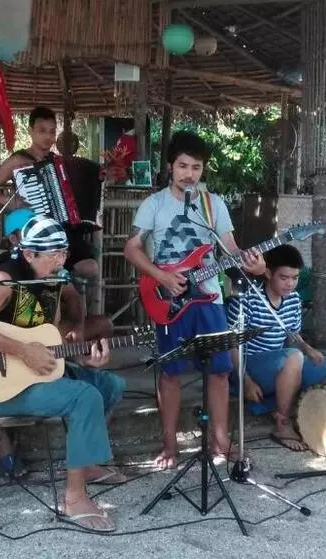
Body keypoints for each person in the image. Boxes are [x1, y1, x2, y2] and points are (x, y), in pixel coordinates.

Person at [0, 215, 125, 532]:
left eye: (64, 253)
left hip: (39, 373)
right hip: (2, 386)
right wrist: (22, 350)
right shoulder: (5, 280)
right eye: (53, 254)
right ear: (29, 253)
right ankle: (74, 499)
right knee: (84, 397)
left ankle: (86, 463)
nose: (61, 261)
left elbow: (72, 307)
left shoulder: (56, 278)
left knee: (110, 385)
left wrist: (80, 342)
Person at [123, 130, 265, 470]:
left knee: (219, 371)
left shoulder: (213, 204)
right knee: (170, 374)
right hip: (168, 299)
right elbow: (131, 248)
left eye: (196, 167)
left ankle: (220, 441)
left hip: (210, 298)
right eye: (183, 166)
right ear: (170, 167)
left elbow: (230, 250)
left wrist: (254, 264)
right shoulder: (154, 204)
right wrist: (161, 276)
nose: (189, 174)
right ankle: (169, 445)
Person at [225, 244, 326, 452]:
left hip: (284, 364)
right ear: (268, 274)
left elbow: (292, 334)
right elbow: (231, 344)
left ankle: (297, 410)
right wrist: (246, 381)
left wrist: (307, 347)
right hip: (250, 368)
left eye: (295, 278)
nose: (290, 284)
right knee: (294, 357)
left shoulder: (293, 299)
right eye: (284, 278)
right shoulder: (247, 299)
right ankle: (282, 424)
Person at [0, 106, 99, 279]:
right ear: (31, 131)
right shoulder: (18, 160)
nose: (48, 137)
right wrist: (9, 201)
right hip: (32, 229)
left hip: (59, 229)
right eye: (42, 131)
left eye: (52, 131)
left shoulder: (59, 163)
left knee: (91, 268)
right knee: (44, 269)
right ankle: (52, 275)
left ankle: (58, 274)